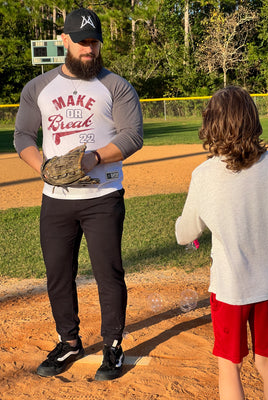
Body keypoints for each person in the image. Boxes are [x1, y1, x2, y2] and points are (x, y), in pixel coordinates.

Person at [14, 7, 143, 381]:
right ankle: (69, 341)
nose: (90, 49)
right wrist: (43, 167)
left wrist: (94, 158)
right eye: (83, 42)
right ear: (64, 41)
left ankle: (113, 346)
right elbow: (22, 136)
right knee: (58, 274)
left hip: (103, 195)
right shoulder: (38, 88)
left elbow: (132, 135)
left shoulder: (116, 85)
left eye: (95, 42)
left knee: (108, 273)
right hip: (55, 199)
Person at [175, 86, 268, 400]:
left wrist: (194, 219)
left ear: (210, 125)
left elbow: (184, 233)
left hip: (230, 289)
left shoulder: (202, 174)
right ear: (253, 122)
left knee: (229, 366)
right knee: (267, 362)